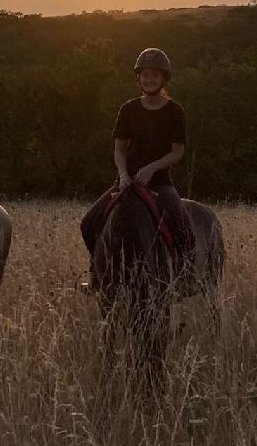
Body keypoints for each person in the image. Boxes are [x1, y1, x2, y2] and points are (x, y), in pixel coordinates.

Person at [81, 47, 194, 289]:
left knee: (182, 225)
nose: (149, 79)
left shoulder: (175, 111)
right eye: (145, 75)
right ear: (138, 78)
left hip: (159, 183)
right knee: (89, 222)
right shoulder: (128, 109)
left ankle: (184, 277)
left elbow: (177, 152)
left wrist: (152, 168)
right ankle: (96, 274)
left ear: (163, 78)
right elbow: (119, 149)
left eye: (154, 75)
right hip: (126, 181)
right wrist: (123, 175)